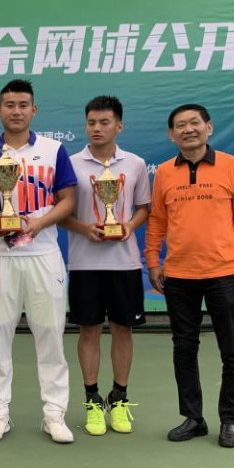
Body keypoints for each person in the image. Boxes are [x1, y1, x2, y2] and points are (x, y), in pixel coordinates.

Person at [0, 79, 77, 443]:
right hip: (0, 256)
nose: (16, 111)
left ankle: (54, 414)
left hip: (43, 254)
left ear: (34, 110)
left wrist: (40, 222)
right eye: (10, 105)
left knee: (51, 335)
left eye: (23, 105)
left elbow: (67, 199)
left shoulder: (53, 150)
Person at [145, 104, 234, 449]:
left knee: (231, 350)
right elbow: (157, 221)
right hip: (178, 275)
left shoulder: (231, 165)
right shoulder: (164, 173)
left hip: (224, 272)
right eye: (180, 125)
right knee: (184, 349)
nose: (188, 129)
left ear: (209, 127)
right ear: (171, 135)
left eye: (195, 122)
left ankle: (230, 420)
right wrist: (152, 261)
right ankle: (193, 418)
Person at [58, 96, 150, 436]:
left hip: (125, 263)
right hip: (84, 265)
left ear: (119, 126)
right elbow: (60, 214)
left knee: (123, 330)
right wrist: (85, 229)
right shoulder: (70, 164)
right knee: (89, 331)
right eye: (91, 123)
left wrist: (129, 226)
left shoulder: (135, 164)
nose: (97, 128)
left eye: (104, 122)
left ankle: (120, 398)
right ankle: (93, 400)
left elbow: (143, 207)